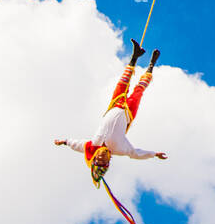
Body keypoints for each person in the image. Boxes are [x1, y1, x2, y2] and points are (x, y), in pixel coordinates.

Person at [54, 40, 167, 187]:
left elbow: (75, 144)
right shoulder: (119, 149)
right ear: (108, 161)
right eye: (104, 161)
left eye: (98, 159)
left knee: (122, 83)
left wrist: (64, 141)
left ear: (94, 157)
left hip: (114, 105)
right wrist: (154, 154)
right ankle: (151, 64)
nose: (101, 157)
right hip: (128, 113)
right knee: (139, 90)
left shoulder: (92, 145)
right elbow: (135, 153)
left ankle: (135, 57)